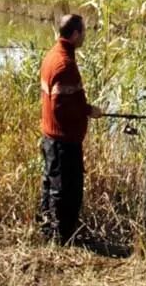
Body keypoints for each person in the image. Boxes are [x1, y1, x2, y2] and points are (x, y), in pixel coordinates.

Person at [38, 13, 103, 244]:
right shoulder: (64, 64)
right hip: (63, 140)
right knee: (66, 191)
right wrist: (89, 110)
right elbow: (63, 106)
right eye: (84, 31)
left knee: (51, 183)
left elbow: (62, 99)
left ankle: (48, 229)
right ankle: (62, 237)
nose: (85, 35)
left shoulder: (53, 54)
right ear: (75, 34)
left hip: (52, 137)